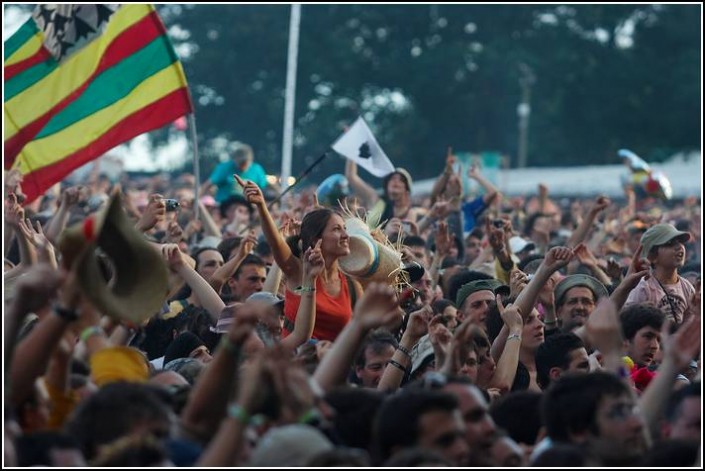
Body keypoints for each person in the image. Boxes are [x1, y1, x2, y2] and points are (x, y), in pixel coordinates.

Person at [237, 175, 363, 342]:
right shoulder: (298, 273)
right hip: (294, 364)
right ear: (316, 239)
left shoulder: (352, 286)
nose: (346, 235)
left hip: (335, 366)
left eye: (345, 229)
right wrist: (261, 206)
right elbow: (275, 242)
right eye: (336, 229)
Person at [624, 223, 696, 324]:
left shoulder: (687, 288)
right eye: (670, 243)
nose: (679, 247)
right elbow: (628, 325)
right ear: (652, 256)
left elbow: (688, 328)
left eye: (679, 242)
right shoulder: (643, 288)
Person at [201, 142, 268, 204]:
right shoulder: (224, 168)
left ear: (250, 160)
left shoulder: (257, 169)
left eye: (245, 162)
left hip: (248, 207)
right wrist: (197, 198)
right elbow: (209, 183)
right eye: (240, 162)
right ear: (235, 159)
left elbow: (264, 185)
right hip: (225, 205)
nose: (243, 165)